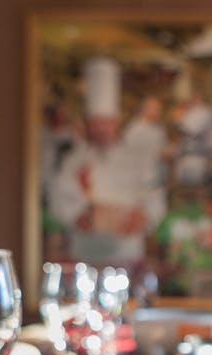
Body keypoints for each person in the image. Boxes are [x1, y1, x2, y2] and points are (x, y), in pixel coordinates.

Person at [46, 58, 166, 266]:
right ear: (86, 124)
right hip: (84, 253)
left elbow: (155, 198)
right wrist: (77, 216)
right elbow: (58, 197)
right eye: (96, 123)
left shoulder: (136, 159)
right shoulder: (73, 160)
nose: (101, 129)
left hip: (127, 252)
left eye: (107, 123)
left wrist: (142, 218)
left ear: (117, 123)